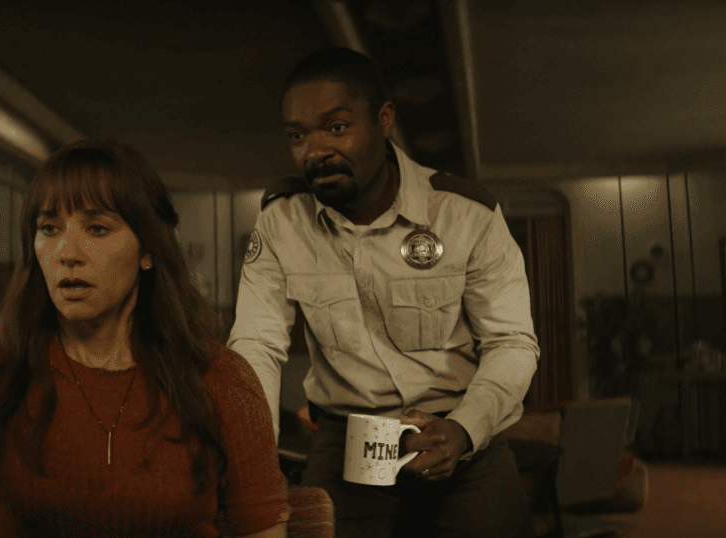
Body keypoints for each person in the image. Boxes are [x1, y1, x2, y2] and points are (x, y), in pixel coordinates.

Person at [227, 47, 540, 537]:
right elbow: (256, 345)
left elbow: (512, 343)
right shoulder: (280, 223)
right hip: (350, 441)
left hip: (461, 430)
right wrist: (258, 461)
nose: (315, 151)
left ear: (384, 120)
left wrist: (464, 429)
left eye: (336, 127)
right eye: (297, 136)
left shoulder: (466, 215)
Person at [0, 139, 290, 537]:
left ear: (148, 249)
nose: (67, 252)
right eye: (49, 228)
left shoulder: (221, 380)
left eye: (97, 229)